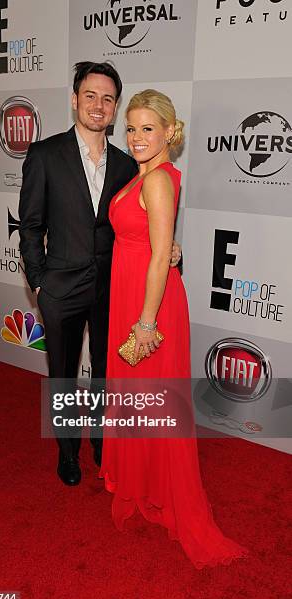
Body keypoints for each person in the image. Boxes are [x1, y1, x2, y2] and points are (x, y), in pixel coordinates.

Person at [99, 89, 249, 569]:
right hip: (136, 289)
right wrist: (166, 249)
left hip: (151, 304)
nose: (138, 137)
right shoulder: (143, 176)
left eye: (148, 128)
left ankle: (165, 489)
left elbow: (159, 254)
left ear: (169, 131)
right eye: (132, 128)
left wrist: (146, 322)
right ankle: (146, 483)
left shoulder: (158, 180)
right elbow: (157, 241)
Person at [19, 62, 180, 487]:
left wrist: (168, 248)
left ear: (115, 108)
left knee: (110, 372)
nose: (98, 105)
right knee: (64, 373)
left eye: (108, 99)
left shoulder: (131, 164)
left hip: (115, 286)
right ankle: (67, 451)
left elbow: (143, 222)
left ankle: (103, 441)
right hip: (60, 287)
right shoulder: (44, 154)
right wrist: (40, 283)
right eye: (90, 95)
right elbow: (31, 226)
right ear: (74, 100)